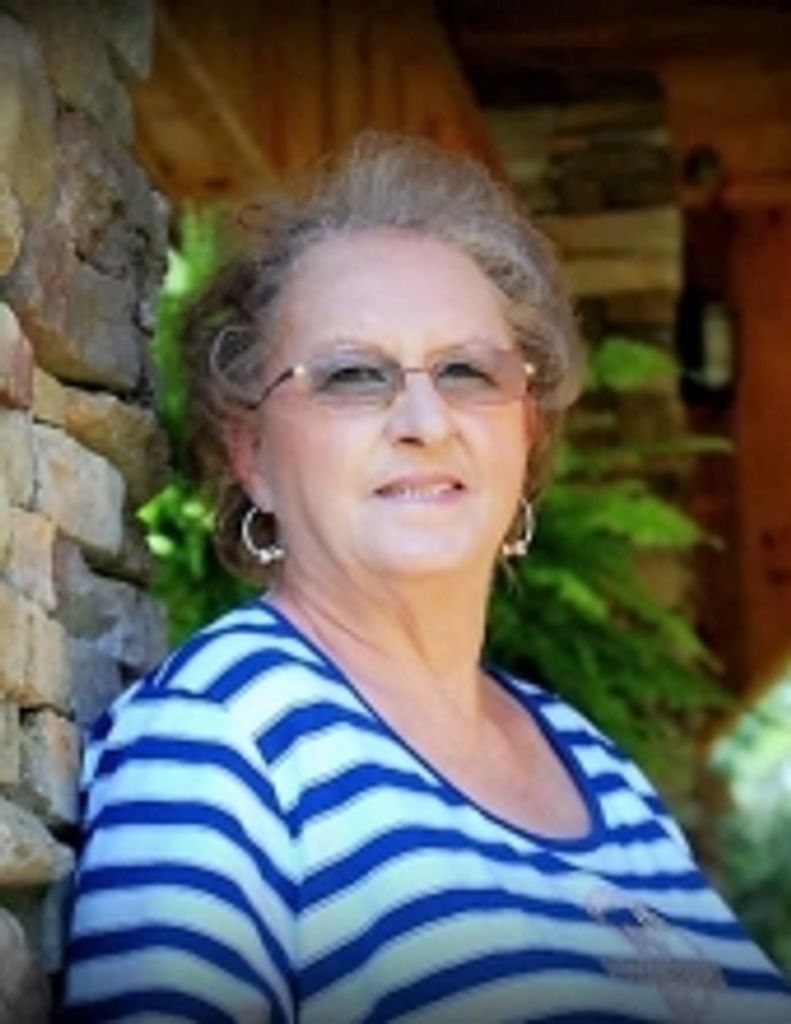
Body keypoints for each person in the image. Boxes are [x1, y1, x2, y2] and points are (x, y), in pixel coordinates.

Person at [61, 134, 791, 1023]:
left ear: (525, 432)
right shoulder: (221, 739)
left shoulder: (597, 769)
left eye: (465, 371)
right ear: (250, 452)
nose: (425, 420)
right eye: (352, 376)